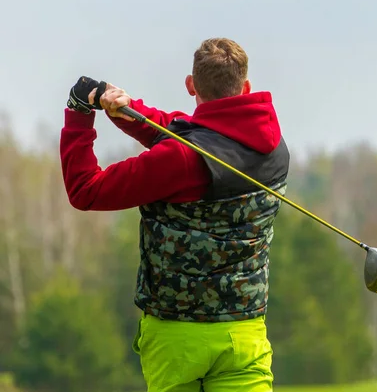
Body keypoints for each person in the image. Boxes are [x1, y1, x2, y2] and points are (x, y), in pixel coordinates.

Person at [60, 38, 290, 392]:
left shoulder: (178, 160)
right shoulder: (274, 148)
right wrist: (127, 108)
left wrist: (79, 113)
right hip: (244, 335)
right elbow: (191, 134)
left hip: (176, 337)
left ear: (190, 85)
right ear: (245, 88)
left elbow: (85, 189)